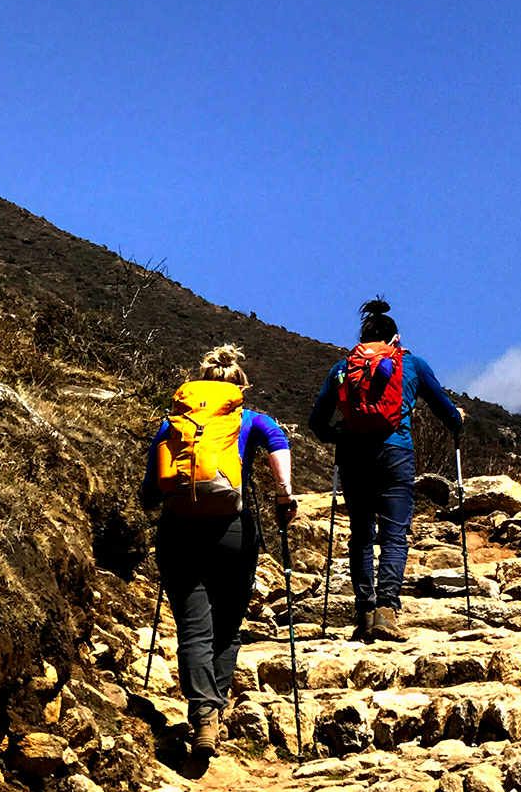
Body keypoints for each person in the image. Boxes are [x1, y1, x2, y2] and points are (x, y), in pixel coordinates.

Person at [141, 344, 296, 757]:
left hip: (180, 533)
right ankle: (215, 710)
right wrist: (285, 497)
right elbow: (280, 444)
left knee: (194, 628)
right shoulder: (252, 420)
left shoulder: (174, 424)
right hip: (234, 533)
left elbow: (152, 487)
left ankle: (203, 713)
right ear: (239, 388)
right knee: (226, 628)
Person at [307, 298, 463, 643]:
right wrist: (458, 421)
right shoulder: (411, 364)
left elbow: (316, 422)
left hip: (353, 455)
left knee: (362, 535)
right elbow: (445, 409)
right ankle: (387, 614)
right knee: (393, 535)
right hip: (396, 453)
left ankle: (364, 614)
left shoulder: (343, 368)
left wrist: (339, 436)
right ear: (395, 338)